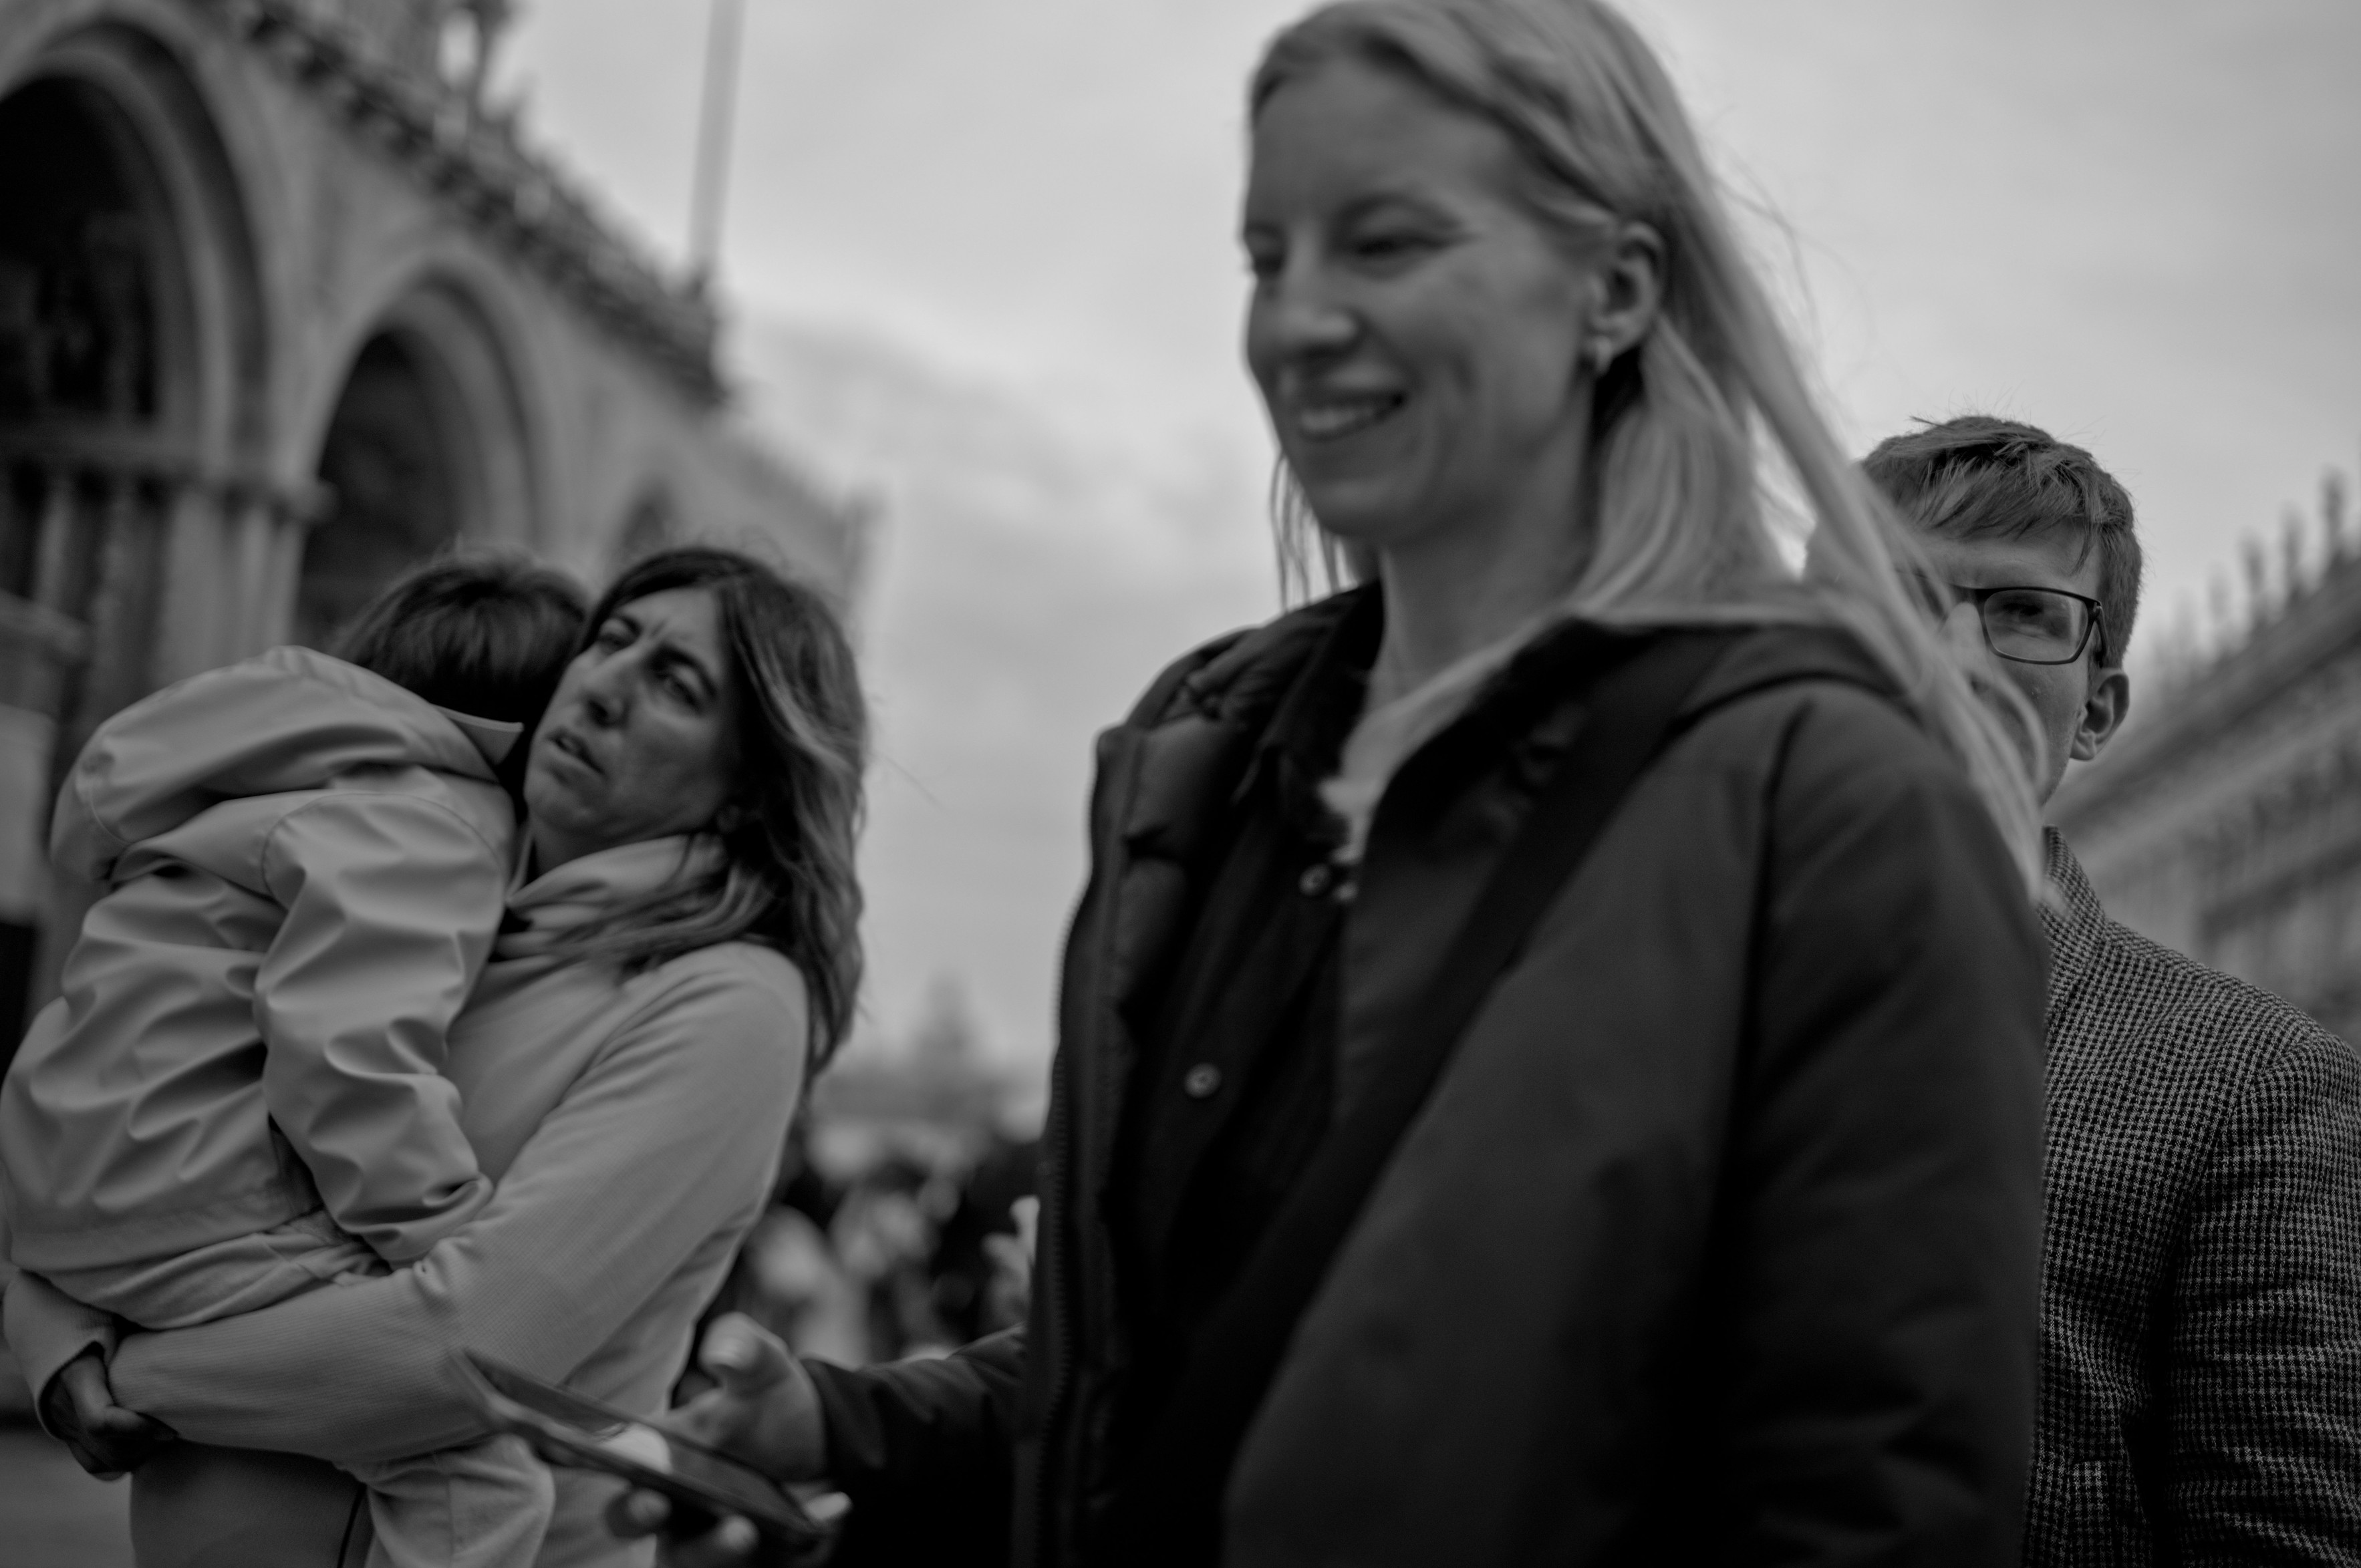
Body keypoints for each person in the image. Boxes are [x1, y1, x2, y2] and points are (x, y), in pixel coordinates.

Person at [616, 3, 2049, 1565]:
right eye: (1266, 256)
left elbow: (1868, 1505)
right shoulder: (1211, 757)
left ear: (1618, 288)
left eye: (1384, 244)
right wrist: (842, 1430)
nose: (1294, 321)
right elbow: (1161, 1374)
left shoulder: (1834, 812)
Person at [8, 546, 867, 1568]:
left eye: (676, 685)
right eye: (612, 639)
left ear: (751, 790)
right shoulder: (423, 883)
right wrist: (51, 1328)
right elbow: (118, 1086)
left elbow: (470, 1349)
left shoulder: (731, 1003)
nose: (605, 688)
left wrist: (131, 1375)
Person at [1, 555, 585, 1568]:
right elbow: (349, 1051)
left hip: (69, 1196)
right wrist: (442, 1239)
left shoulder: (245, 783)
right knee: (481, 1473)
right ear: (529, 736)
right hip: (205, 1203)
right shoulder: (443, 821)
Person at [1864, 415, 2361, 1565]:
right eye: (1892, 597)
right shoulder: (1620, 1009)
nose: (1947, 656)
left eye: (2021, 612)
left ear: (2094, 712)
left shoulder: (2257, 1092)